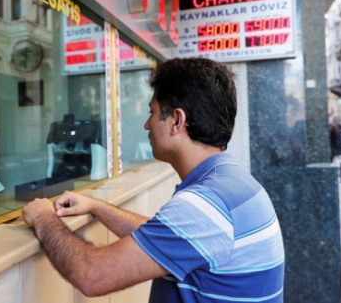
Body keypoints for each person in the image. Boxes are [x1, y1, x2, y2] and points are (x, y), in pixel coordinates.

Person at [22, 58, 285, 302]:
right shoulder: (230, 183)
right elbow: (169, 235)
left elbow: (92, 275)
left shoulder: (205, 205)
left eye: (152, 112)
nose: (147, 124)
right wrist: (96, 207)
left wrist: (43, 217)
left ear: (177, 121)